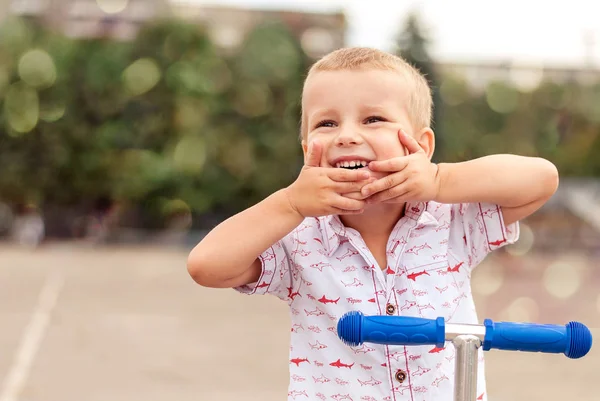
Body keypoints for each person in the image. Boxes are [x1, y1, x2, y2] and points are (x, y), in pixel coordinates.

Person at [187, 47, 559, 401]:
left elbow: (541, 179)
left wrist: (440, 180)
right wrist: (289, 202)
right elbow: (207, 266)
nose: (347, 135)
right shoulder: (297, 239)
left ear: (421, 146)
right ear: (306, 151)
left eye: (373, 119)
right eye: (327, 122)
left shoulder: (451, 222)